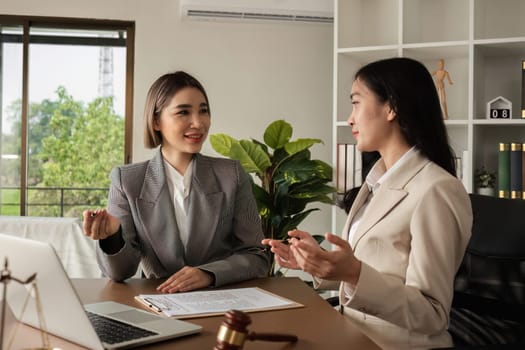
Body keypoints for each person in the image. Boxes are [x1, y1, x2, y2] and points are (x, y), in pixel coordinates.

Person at [263, 57, 472, 349]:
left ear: (391, 108)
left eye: (356, 103)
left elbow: (432, 314)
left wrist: (352, 272)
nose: (350, 118)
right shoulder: (376, 181)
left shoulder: (437, 190)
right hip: (352, 334)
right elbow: (378, 274)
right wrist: (318, 264)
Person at [83, 71, 270, 293]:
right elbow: (119, 273)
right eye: (183, 112)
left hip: (221, 301)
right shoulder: (127, 180)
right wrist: (113, 238)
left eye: (203, 111)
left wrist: (208, 275)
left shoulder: (232, 175)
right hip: (158, 302)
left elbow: (257, 256)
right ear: (156, 121)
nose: (198, 123)